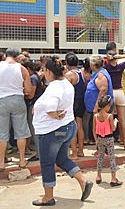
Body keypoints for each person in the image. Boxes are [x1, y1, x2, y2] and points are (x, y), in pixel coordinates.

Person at [32, 56, 92, 206]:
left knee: (47, 163)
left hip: (52, 131)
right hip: (67, 128)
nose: (43, 73)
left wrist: (53, 114)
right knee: (61, 159)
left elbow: (51, 107)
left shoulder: (54, 87)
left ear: (50, 72)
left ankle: (48, 197)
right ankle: (83, 181)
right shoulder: (66, 83)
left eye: (45, 70)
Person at [0, 48, 32, 171]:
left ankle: (1, 162)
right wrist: (20, 90)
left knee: (2, 133)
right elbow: (29, 90)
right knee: (21, 132)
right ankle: (22, 160)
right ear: (17, 57)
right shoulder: (22, 69)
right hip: (18, 100)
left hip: (2, 100)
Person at [104, 46, 125, 151]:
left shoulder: (106, 67)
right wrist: (120, 56)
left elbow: (95, 58)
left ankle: (109, 145)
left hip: (110, 93)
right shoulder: (121, 66)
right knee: (122, 120)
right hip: (120, 92)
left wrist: (108, 57)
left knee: (109, 119)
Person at [93, 95, 122, 186]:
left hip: (100, 138)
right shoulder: (109, 116)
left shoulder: (96, 116)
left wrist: (96, 140)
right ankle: (113, 178)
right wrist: (115, 122)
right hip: (109, 138)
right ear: (106, 106)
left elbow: (94, 129)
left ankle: (98, 176)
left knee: (100, 157)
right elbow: (113, 129)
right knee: (112, 158)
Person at [64, 52, 86, 160]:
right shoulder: (81, 72)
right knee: (80, 125)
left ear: (67, 63)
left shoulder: (69, 75)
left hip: (73, 102)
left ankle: (74, 153)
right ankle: (80, 150)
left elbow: (65, 90)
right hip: (81, 101)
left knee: (72, 127)